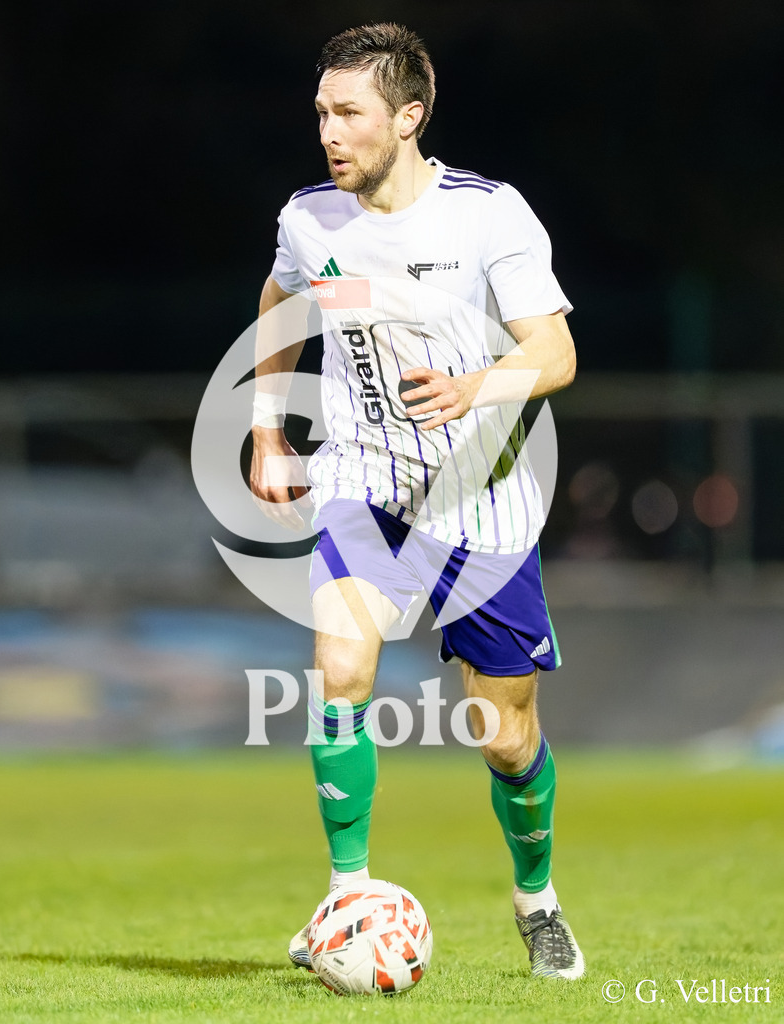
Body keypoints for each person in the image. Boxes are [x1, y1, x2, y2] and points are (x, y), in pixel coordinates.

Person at [249, 23, 584, 980]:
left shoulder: (487, 214)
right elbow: (278, 305)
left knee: (503, 737)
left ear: (408, 116)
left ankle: (536, 899)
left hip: (478, 501)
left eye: (348, 112)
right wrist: (270, 429)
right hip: (362, 479)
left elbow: (554, 354)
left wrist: (476, 385)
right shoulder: (310, 219)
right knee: (339, 668)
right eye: (321, 111)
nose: (328, 130)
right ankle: (348, 892)